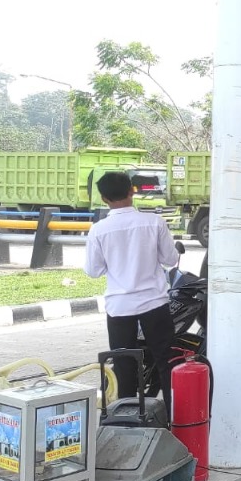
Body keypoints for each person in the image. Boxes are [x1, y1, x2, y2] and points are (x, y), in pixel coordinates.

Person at [83, 170, 180, 408]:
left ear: (104, 198)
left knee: (123, 365)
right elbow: (170, 259)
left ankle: (127, 417)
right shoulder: (154, 222)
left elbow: (93, 270)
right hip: (154, 303)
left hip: (119, 307)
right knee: (166, 361)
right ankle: (174, 416)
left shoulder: (99, 230)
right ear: (131, 191)